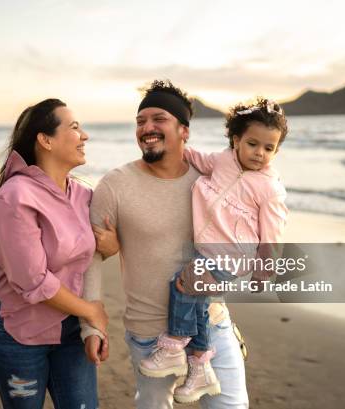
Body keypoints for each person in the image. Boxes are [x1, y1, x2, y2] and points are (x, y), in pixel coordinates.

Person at [80, 80, 249, 409]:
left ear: (184, 130)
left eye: (159, 119)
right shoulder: (115, 185)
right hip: (151, 335)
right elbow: (91, 259)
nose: (147, 128)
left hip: (210, 325)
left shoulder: (209, 180)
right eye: (141, 121)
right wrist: (91, 326)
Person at [139, 97, 289, 403]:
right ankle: (200, 368)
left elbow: (272, 234)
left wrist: (264, 270)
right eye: (252, 144)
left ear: (276, 150)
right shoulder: (222, 161)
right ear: (236, 140)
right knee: (197, 303)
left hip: (234, 257)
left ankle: (175, 345)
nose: (259, 153)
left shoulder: (269, 188)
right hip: (207, 251)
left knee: (185, 284)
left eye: (268, 148)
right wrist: (175, 143)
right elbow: (196, 158)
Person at [0, 98, 110, 409]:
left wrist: (111, 246)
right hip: (17, 330)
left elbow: (89, 254)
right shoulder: (14, 198)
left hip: (69, 326)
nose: (84, 136)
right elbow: (33, 281)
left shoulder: (83, 194)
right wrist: (92, 312)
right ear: (45, 140)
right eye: (74, 128)